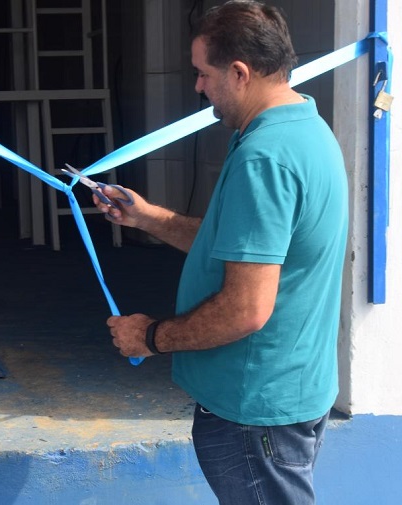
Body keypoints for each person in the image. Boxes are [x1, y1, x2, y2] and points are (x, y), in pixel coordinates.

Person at [96, 2, 347, 503]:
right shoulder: (304, 130)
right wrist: (147, 217)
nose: (197, 87)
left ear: (239, 73)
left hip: (255, 409)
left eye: (202, 74)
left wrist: (149, 337)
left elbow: (246, 309)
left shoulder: (265, 157)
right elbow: (242, 249)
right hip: (287, 393)